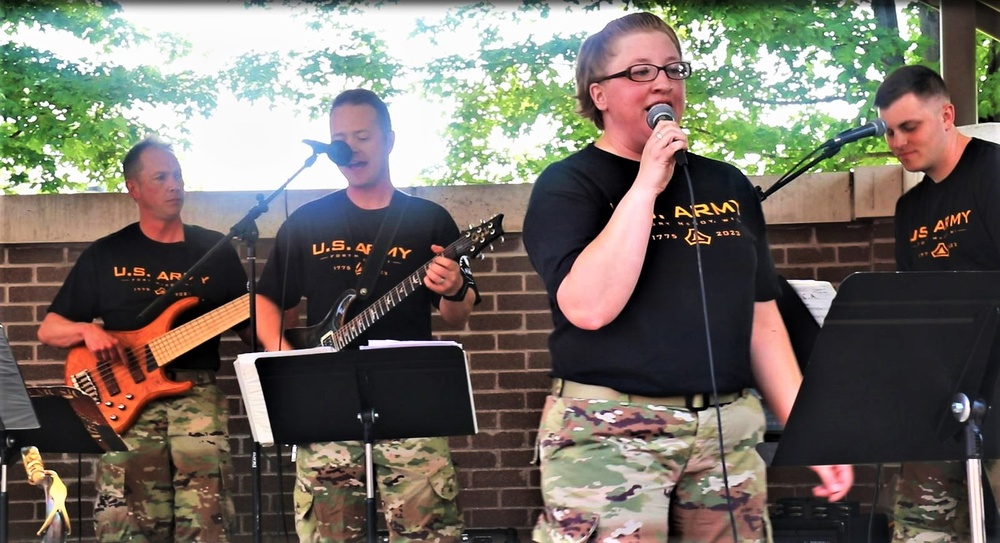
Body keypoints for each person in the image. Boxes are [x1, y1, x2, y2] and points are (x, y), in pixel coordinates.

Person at [522, 12, 854, 541]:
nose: (662, 82)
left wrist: (810, 431)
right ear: (599, 95)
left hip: (725, 433)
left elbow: (762, 318)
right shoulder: (568, 185)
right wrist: (646, 184)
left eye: (673, 69)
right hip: (611, 433)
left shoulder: (725, 182)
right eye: (639, 71)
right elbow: (587, 307)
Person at [255, 88, 480, 543]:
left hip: (412, 407)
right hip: (325, 407)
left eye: (362, 136)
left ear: (389, 140)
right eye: (340, 138)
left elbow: (457, 314)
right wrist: (284, 360)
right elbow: (266, 301)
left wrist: (454, 287)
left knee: (428, 533)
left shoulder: (428, 219)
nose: (350, 148)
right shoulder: (307, 222)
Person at [37, 137, 250, 542]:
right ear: (134, 188)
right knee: (126, 515)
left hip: (196, 392)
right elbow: (49, 329)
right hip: (124, 398)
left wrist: (280, 309)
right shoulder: (107, 253)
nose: (175, 185)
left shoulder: (215, 249)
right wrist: (87, 330)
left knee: (207, 512)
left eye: (178, 176)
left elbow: (250, 325)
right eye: (161, 177)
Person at [877, 64, 1000, 542]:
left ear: (947, 115)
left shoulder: (994, 175)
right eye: (889, 131)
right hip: (941, 399)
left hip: (997, 387)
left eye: (910, 126)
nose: (898, 141)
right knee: (917, 529)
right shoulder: (910, 210)